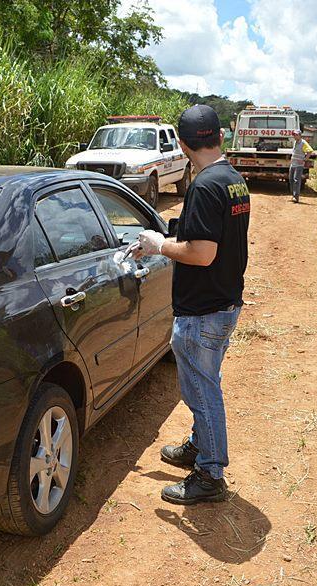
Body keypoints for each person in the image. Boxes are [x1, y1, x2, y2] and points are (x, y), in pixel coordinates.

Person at [132, 104, 250, 505]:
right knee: (205, 383)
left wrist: (158, 245)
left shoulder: (204, 185)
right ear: (219, 136)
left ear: (183, 144)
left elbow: (202, 253)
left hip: (204, 309)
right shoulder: (232, 178)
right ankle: (200, 446)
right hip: (224, 301)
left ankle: (210, 473)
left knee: (201, 389)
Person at [288, 129, 315, 203]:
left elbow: (310, 151)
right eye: (294, 135)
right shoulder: (295, 142)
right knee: (291, 179)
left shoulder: (303, 143)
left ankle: (296, 197)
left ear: (300, 135)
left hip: (299, 165)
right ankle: (293, 195)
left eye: (296, 135)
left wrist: (304, 160)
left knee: (296, 180)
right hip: (293, 164)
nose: (294, 136)